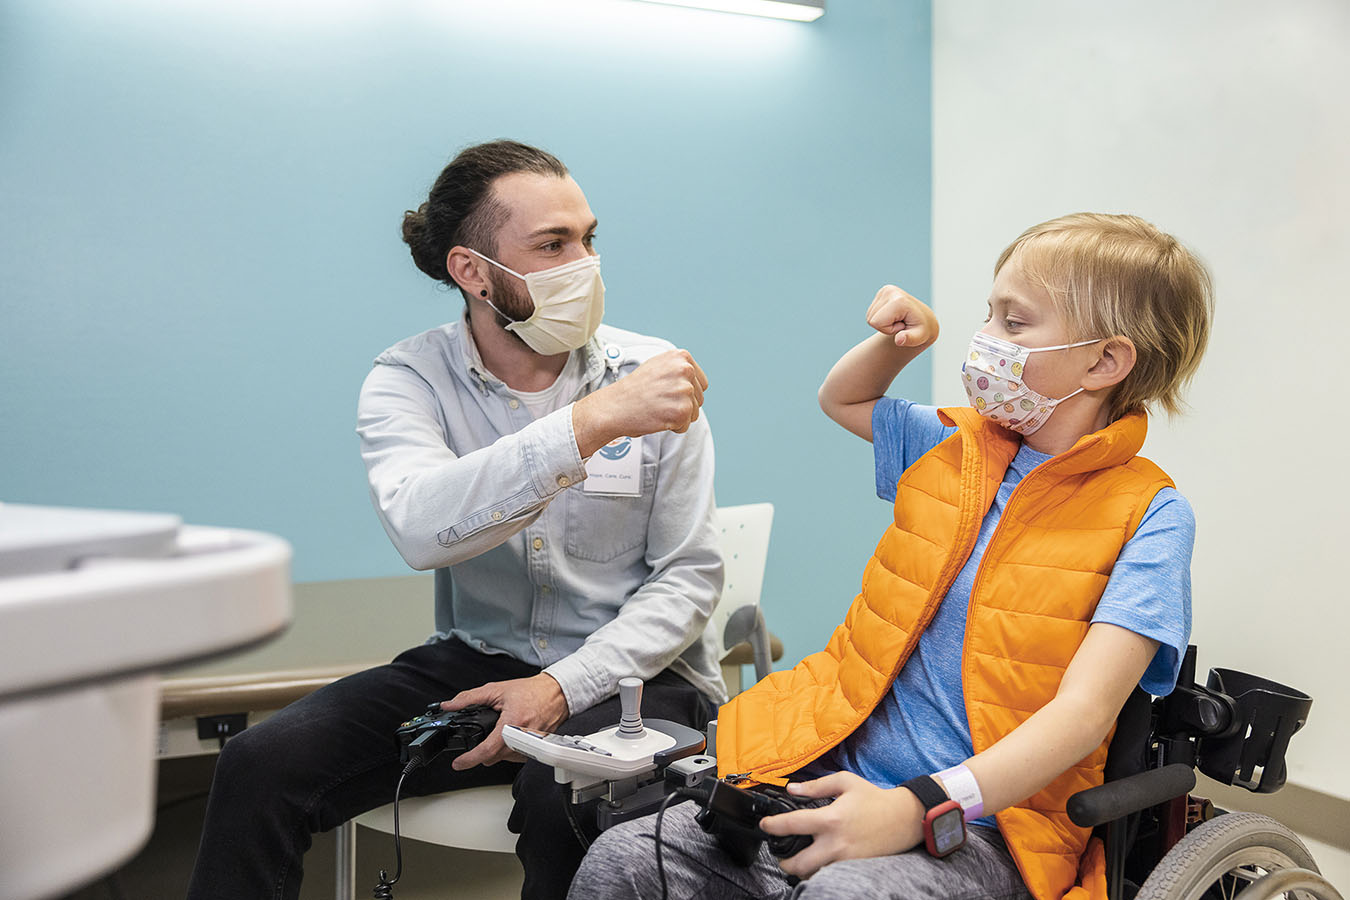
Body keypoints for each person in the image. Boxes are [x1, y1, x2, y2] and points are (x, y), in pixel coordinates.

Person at [569, 212, 1214, 900]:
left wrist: (916, 807)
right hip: (833, 773)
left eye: (1014, 324)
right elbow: (842, 397)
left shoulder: (1150, 516)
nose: (985, 341)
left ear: (1105, 361)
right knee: (625, 861)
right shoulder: (953, 446)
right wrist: (903, 344)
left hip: (989, 827)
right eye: (988, 315)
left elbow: (1083, 717)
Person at [186, 140, 727, 900]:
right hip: (478, 660)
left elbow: (690, 575)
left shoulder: (652, 373)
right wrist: (588, 427)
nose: (586, 264)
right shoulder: (408, 379)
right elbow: (420, 527)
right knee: (259, 766)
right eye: (552, 245)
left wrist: (562, 687)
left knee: (562, 798)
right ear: (471, 271)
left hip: (635, 673)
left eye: (588, 238)